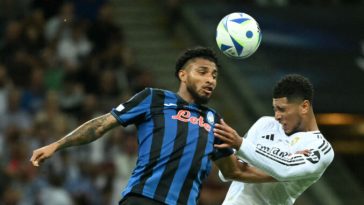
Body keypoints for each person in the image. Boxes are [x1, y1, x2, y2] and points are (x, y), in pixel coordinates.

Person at [30, 47, 264, 205]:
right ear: (183, 75)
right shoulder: (153, 98)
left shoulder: (215, 120)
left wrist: (288, 175)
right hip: (143, 199)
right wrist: (57, 145)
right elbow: (100, 125)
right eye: (202, 72)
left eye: (214, 75)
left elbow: (235, 171)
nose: (210, 79)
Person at [214, 74, 334, 205]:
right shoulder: (265, 124)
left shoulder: (321, 148)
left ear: (304, 106)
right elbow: (228, 172)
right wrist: (280, 167)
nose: (277, 116)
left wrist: (240, 144)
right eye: (275, 109)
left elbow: (285, 169)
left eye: (282, 109)